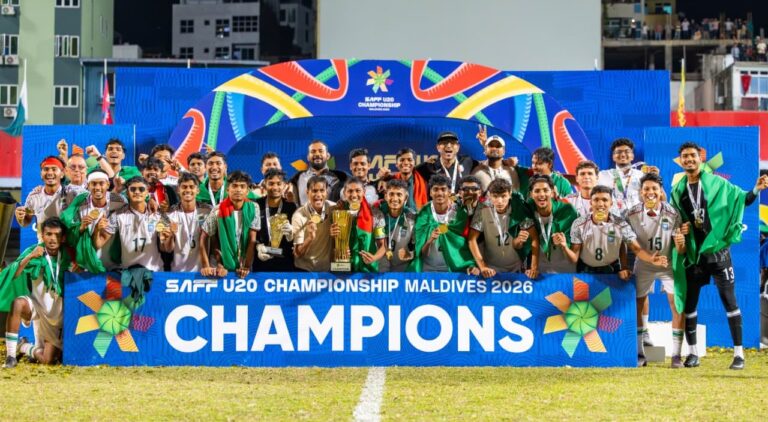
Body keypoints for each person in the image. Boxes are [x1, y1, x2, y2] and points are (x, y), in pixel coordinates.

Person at [671, 141, 768, 370]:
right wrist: (680, 230)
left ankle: (739, 355)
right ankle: (693, 354)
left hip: (718, 253)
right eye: (685, 156)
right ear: (680, 161)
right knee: (690, 305)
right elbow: (675, 220)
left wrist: (756, 189)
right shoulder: (677, 190)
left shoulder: (718, 183)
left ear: (700, 158)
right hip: (694, 255)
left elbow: (742, 199)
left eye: (692, 155)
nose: (689, 159)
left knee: (730, 301)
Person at [624, 173, 686, 368]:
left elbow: (680, 249)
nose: (650, 192)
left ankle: (676, 355)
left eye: (654, 189)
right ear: (640, 192)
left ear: (661, 192)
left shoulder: (673, 213)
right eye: (646, 189)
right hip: (645, 263)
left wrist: (681, 244)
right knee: (637, 303)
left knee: (676, 304)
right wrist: (651, 259)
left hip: (668, 263)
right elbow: (633, 247)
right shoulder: (631, 214)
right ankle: (639, 353)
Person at [1, 218, 72, 368]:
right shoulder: (34, 251)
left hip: (57, 316)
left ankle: (23, 346)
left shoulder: (69, 256)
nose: (52, 239)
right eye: (49, 234)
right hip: (36, 307)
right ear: (42, 235)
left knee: (48, 360)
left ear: (63, 238)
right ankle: (11, 357)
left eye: (57, 235)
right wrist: (30, 257)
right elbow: (15, 274)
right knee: (18, 303)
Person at [93, 177, 171, 272]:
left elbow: (167, 248)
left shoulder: (159, 215)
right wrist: (97, 229)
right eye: (133, 189)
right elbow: (99, 243)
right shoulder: (117, 215)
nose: (137, 192)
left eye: (141, 189)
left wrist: (167, 237)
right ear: (127, 193)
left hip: (155, 271)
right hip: (128, 273)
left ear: (147, 193)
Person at [468, 179, 538, 278]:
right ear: (489, 195)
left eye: (503, 196)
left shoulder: (518, 207)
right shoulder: (483, 208)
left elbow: (534, 237)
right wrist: (482, 267)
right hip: (490, 268)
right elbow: (472, 240)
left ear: (510, 194)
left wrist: (533, 268)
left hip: (516, 267)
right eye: (495, 196)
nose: (499, 201)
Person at [59, 170, 126, 273]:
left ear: (108, 185)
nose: (97, 188)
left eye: (101, 183)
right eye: (94, 184)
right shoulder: (80, 202)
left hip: (114, 265)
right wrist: (81, 227)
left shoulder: (120, 201)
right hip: (87, 264)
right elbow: (70, 235)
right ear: (88, 186)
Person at [409, 175, 478, 273]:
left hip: (453, 267)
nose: (439, 193)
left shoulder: (460, 213)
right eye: (435, 189)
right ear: (430, 192)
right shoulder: (424, 214)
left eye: (443, 189)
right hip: (427, 267)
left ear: (449, 192)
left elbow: (463, 244)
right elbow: (420, 252)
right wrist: (430, 240)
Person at [199, 171, 259, 279]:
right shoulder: (218, 210)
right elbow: (204, 237)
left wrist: (246, 266)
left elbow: (252, 240)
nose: (238, 190)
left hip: (245, 264)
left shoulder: (254, 208)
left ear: (247, 191)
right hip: (221, 266)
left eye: (242, 186)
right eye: (234, 186)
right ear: (228, 189)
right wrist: (206, 265)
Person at [15, 156, 85, 237]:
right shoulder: (34, 197)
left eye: (54, 169)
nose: (50, 173)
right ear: (41, 174)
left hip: (68, 241)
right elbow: (26, 222)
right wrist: (20, 218)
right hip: (44, 243)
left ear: (62, 174)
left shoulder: (73, 194)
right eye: (46, 169)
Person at [526, 175, 578, 273]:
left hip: (564, 269)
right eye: (537, 191)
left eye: (546, 190)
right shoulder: (527, 209)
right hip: (539, 269)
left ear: (552, 192)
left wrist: (564, 244)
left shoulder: (568, 211)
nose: (542, 194)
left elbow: (575, 253)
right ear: (531, 194)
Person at [164, 173, 212, 272]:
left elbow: (215, 242)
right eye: (184, 187)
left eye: (191, 187)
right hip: (178, 271)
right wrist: (171, 235)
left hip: (203, 270)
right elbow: (168, 249)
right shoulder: (170, 214)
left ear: (197, 190)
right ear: (178, 190)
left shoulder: (208, 211)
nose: (188, 190)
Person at [337, 177, 386, 272]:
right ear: (344, 193)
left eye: (358, 191)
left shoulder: (375, 214)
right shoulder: (338, 213)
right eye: (350, 191)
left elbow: (383, 245)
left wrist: (374, 257)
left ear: (364, 192)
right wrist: (340, 254)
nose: (354, 195)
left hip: (368, 270)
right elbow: (332, 245)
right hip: (343, 269)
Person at [253, 168, 297, 272]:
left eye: (279, 183)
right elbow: (250, 233)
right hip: (260, 264)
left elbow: (296, 239)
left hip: (285, 264)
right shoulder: (256, 205)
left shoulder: (291, 207)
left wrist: (291, 235)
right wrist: (258, 246)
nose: (275, 187)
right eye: (271, 183)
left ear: (284, 185)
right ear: (264, 184)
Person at [291, 175, 337, 272]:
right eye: (314, 191)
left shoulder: (334, 209)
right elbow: (297, 253)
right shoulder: (299, 215)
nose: (318, 194)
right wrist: (310, 238)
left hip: (327, 270)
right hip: (305, 270)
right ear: (307, 193)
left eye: (322, 190)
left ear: (327, 192)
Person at [597, 138, 653, 211]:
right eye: (618, 152)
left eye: (627, 151)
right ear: (613, 157)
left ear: (632, 156)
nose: (623, 155)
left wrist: (655, 178)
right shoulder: (602, 175)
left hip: (636, 216)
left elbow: (654, 198)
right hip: (612, 216)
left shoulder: (642, 175)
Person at [374, 179, 416, 272]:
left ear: (405, 198)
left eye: (399, 194)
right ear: (385, 196)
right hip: (378, 266)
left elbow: (418, 245)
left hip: (402, 266)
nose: (395, 199)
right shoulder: (376, 214)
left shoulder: (412, 218)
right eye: (391, 194)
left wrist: (410, 254)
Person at [289, 140, 348, 206]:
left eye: (321, 151)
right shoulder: (298, 178)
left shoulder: (341, 177)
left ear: (328, 156)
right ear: (308, 157)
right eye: (313, 151)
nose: (317, 154)